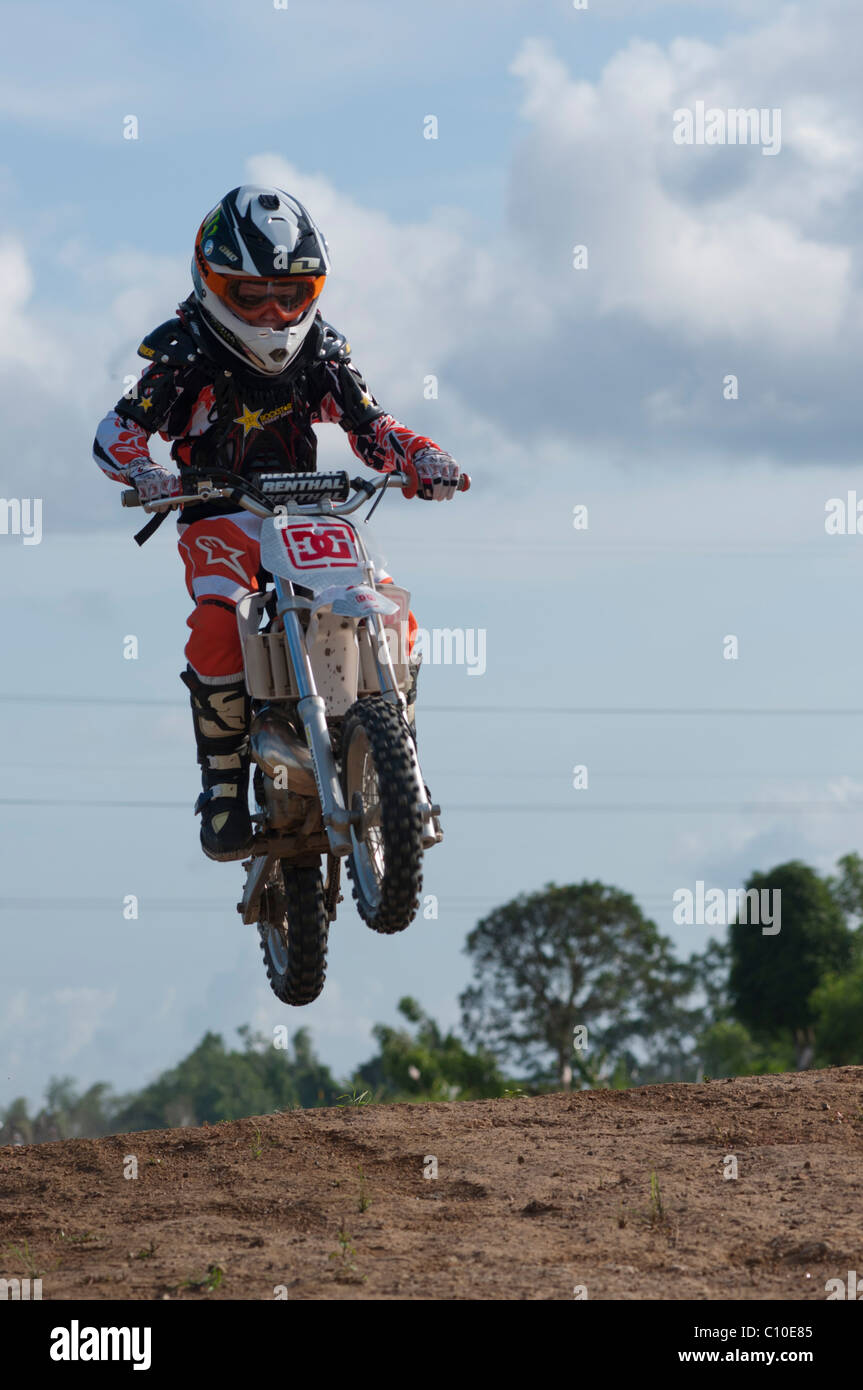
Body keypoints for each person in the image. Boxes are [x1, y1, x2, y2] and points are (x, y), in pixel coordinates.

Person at [94, 185, 459, 861]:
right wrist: (144, 473)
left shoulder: (320, 348)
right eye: (252, 295)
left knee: (389, 607)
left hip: (311, 511)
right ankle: (224, 782)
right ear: (212, 283)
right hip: (218, 511)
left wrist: (422, 456)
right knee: (218, 618)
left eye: (289, 296)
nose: (272, 312)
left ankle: (397, 755)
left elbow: (368, 422)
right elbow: (119, 428)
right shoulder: (183, 350)